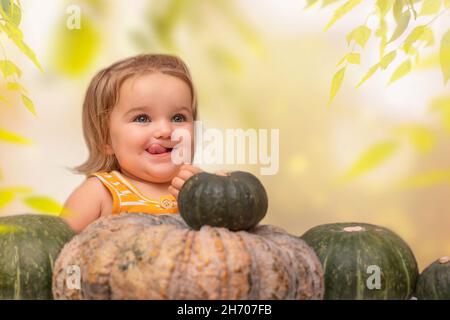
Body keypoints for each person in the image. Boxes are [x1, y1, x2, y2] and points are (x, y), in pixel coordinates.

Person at [61, 54, 201, 233]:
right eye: (142, 118)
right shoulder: (100, 193)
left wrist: (205, 195)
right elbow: (55, 247)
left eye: (178, 117)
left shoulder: (198, 189)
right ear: (106, 138)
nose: (165, 130)